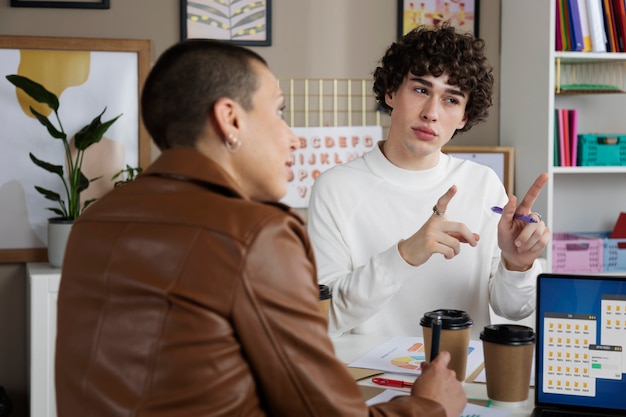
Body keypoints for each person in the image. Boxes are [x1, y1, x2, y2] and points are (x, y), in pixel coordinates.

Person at [54, 39, 467, 417]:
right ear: (230, 119)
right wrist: (427, 405)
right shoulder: (256, 233)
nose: (294, 139)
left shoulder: (94, 222)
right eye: (279, 111)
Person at [307, 23, 551, 339]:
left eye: (451, 99)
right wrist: (405, 254)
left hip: (459, 375)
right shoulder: (335, 188)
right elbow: (328, 318)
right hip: (368, 378)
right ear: (391, 92)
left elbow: (513, 309)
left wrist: (517, 265)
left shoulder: (482, 182)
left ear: (464, 116)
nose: (431, 113)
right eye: (421, 90)